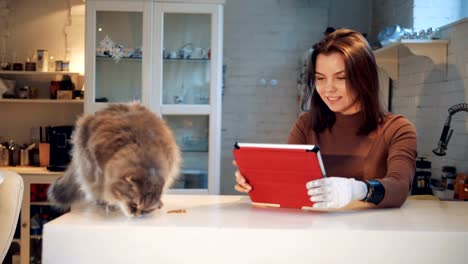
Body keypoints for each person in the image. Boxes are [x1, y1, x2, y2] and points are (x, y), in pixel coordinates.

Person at [234, 28, 417, 209]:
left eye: (341, 77)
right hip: (314, 232)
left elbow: (400, 188)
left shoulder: (397, 129)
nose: (328, 89)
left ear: (364, 78)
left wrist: (358, 189)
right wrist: (257, 179)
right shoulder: (306, 125)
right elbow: (289, 182)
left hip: (371, 234)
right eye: (320, 78)